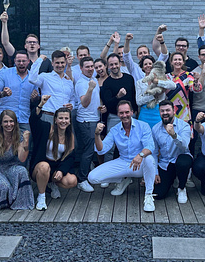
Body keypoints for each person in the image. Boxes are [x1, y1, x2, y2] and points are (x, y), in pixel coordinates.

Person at [88, 101, 157, 212]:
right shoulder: (114, 130)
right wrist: (97, 135)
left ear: (132, 112)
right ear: (118, 114)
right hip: (123, 162)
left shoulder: (143, 126)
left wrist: (140, 155)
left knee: (149, 158)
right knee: (92, 177)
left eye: (127, 112)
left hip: (139, 164)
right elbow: (101, 150)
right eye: (121, 113)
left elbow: (150, 146)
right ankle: (123, 179)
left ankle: (148, 195)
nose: (124, 115)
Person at [30, 107, 78, 210]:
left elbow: (70, 157)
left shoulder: (70, 136)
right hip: (41, 167)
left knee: (72, 180)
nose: (63, 121)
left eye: (66, 118)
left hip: (56, 168)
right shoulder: (46, 128)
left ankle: (52, 183)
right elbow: (33, 120)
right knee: (44, 166)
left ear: (70, 121)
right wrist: (40, 105)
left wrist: (61, 170)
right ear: (55, 120)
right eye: (60, 118)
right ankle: (41, 197)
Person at [151, 100, 193, 203]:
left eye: (168, 110)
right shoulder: (155, 129)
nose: (165, 113)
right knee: (158, 194)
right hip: (165, 162)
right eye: (162, 111)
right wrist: (155, 172)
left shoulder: (184, 126)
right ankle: (173, 178)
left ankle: (182, 187)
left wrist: (174, 135)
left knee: (183, 163)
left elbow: (184, 147)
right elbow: (154, 152)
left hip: (181, 158)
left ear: (174, 111)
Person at [74, 57, 103, 192]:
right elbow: (84, 103)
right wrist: (90, 89)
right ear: (81, 68)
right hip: (86, 121)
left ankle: (86, 172)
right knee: (88, 150)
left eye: (92, 66)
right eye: (87, 66)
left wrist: (101, 107)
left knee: (91, 149)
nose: (90, 69)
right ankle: (82, 180)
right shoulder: (81, 83)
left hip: (94, 118)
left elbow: (95, 100)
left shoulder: (93, 80)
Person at [0, 50, 36, 132]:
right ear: (15, 61)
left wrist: (35, 97)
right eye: (19, 61)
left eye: (24, 61)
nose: (21, 63)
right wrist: (3, 94)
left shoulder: (33, 78)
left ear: (28, 61)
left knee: (25, 140)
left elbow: (35, 99)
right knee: (1, 140)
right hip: (5, 119)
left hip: (23, 119)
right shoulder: (4, 73)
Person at [28, 50, 75, 124]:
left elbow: (72, 98)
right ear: (52, 63)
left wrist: (72, 105)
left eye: (62, 62)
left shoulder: (68, 80)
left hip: (64, 119)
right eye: (57, 63)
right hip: (48, 115)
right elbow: (32, 79)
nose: (60, 65)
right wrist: (39, 60)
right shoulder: (45, 77)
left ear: (65, 63)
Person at [135, 55, 176, 128]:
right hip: (145, 113)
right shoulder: (139, 82)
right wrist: (153, 96)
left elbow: (173, 86)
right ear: (142, 67)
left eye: (150, 64)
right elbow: (138, 101)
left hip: (159, 112)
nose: (148, 66)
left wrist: (158, 82)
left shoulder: (162, 78)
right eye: (145, 64)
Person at [166, 52, 202, 124]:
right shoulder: (166, 77)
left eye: (179, 59)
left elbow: (196, 89)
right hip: (168, 110)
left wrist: (196, 81)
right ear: (171, 62)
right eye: (175, 59)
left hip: (183, 111)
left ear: (183, 62)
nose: (177, 61)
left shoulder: (188, 75)